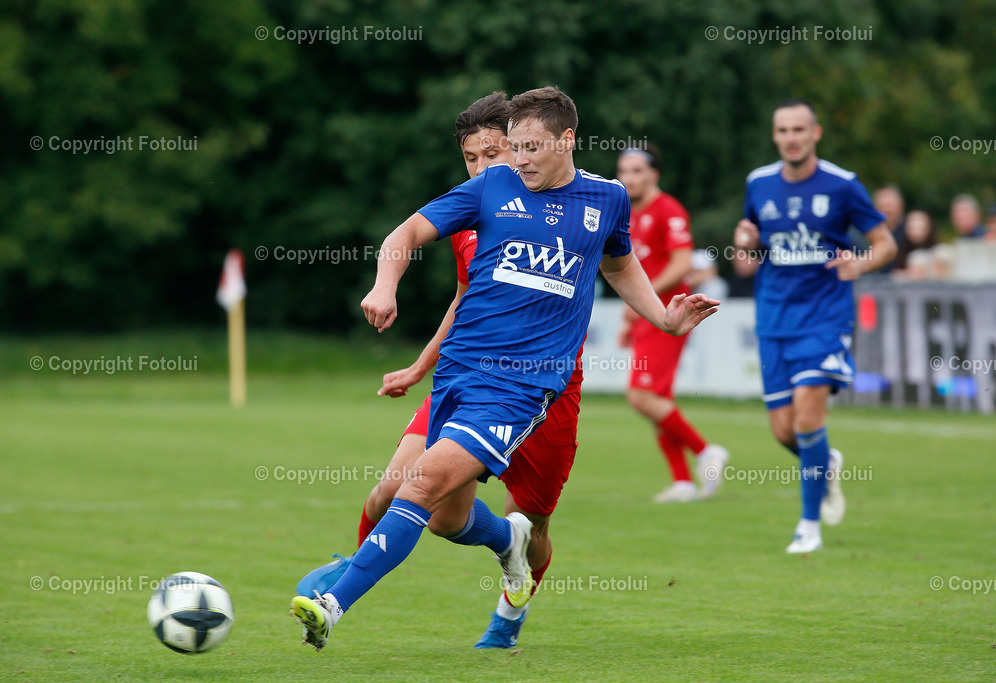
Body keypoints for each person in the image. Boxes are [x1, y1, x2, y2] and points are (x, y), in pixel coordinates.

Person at [290, 86, 719, 651]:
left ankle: (340, 603)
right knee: (437, 511)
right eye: (509, 148)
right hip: (459, 377)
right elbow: (407, 235)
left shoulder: (609, 199)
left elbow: (618, 264)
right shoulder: (492, 189)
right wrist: (385, 286)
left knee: (466, 499)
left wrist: (664, 319)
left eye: (529, 147)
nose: (516, 160)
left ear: (567, 140)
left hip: (528, 384)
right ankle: (502, 542)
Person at [294, 91, 588, 650]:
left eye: (493, 154)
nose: (482, 168)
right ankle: (352, 579)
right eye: (471, 158)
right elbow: (462, 297)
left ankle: (507, 617)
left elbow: (617, 263)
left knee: (537, 522)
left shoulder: (574, 206)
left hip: (543, 389)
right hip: (469, 374)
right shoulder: (472, 211)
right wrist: (420, 364)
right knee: (406, 496)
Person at [734, 98, 896, 553]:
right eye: (783, 130)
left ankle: (808, 526)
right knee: (784, 431)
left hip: (825, 318)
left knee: (807, 419)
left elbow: (885, 243)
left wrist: (860, 264)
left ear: (816, 134)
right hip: (774, 318)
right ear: (775, 136)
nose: (791, 138)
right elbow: (749, 249)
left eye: (799, 130)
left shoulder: (843, 185)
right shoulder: (759, 183)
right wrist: (743, 242)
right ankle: (826, 463)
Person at [615, 147, 728, 502]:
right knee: (656, 398)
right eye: (623, 171)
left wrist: (644, 299)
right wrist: (631, 314)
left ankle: (706, 450)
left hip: (670, 314)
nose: (628, 178)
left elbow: (681, 265)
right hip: (648, 315)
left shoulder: (668, 210)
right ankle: (682, 481)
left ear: (654, 175)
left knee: (641, 396)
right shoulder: (626, 212)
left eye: (636, 170)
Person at [891, 209, 939, 275]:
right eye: (912, 227)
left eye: (920, 227)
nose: (916, 233)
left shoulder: (938, 252)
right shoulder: (898, 249)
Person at [871, 185, 906, 274]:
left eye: (889, 206)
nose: (886, 210)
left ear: (901, 205)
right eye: (882, 206)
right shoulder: (866, 234)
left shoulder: (910, 232)